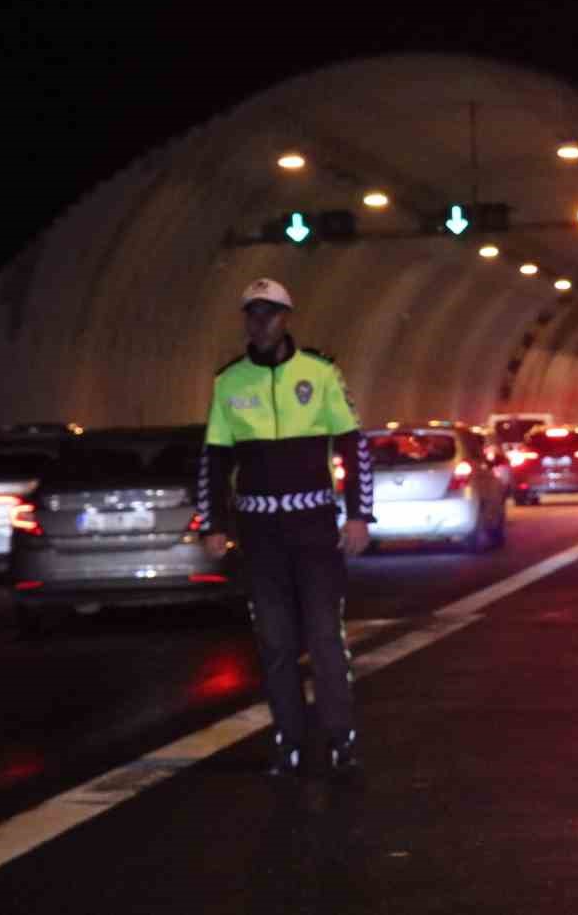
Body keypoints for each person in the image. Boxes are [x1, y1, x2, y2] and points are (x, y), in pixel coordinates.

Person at [198, 278, 374, 779]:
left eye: (270, 314)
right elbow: (214, 458)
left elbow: (353, 446)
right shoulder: (229, 382)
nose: (261, 323)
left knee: (323, 638)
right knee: (275, 643)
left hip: (314, 529)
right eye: (252, 314)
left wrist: (358, 514)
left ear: (287, 318)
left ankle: (342, 740)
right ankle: (289, 742)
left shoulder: (319, 375)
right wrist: (213, 522)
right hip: (260, 535)